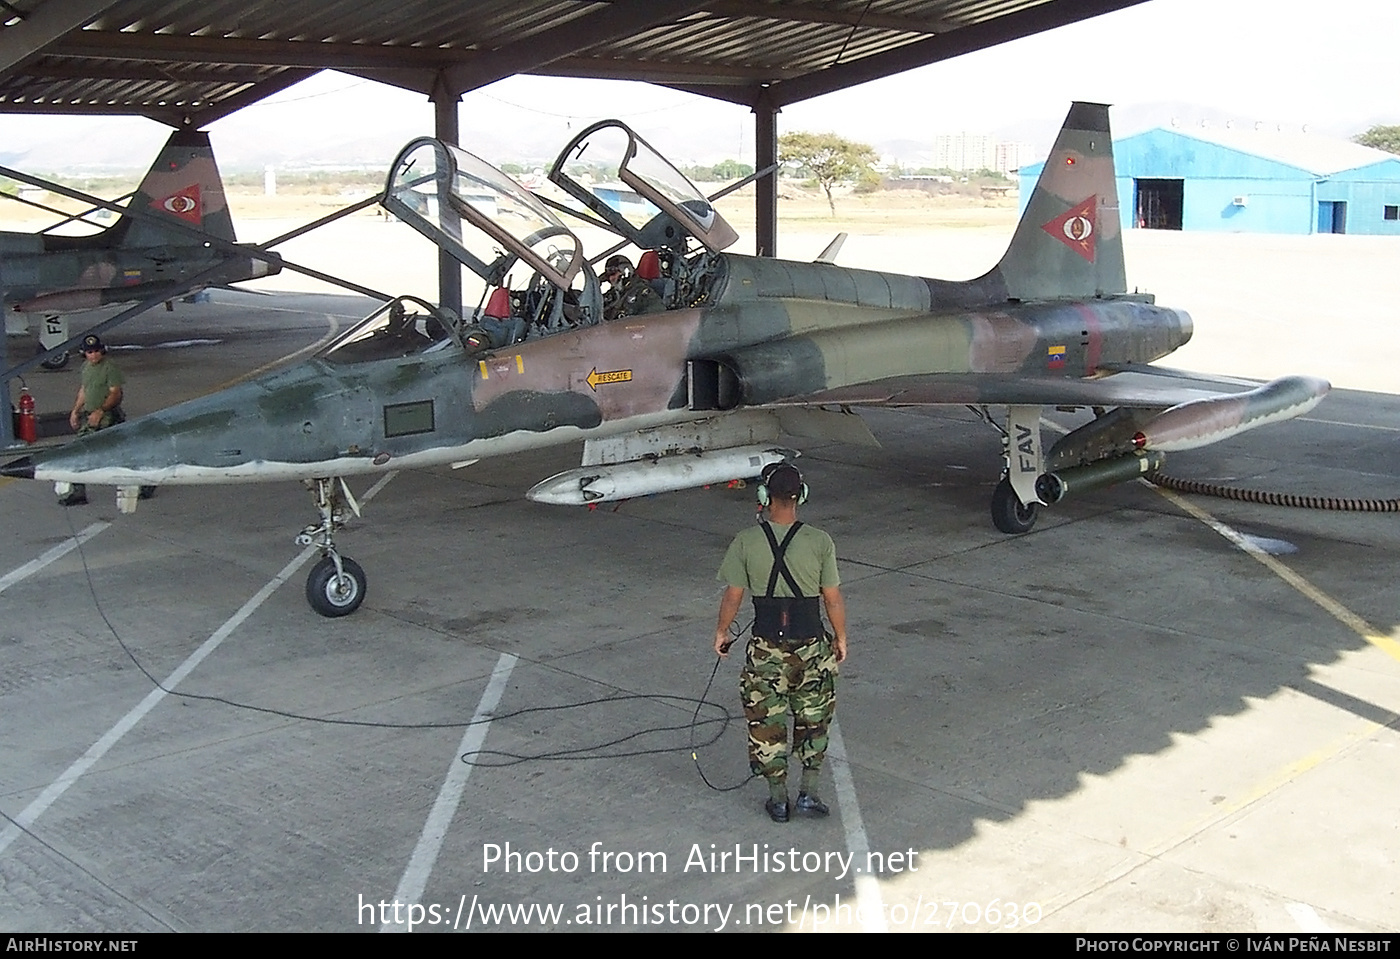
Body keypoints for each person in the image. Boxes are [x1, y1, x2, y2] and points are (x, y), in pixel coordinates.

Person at [714, 463, 848, 823]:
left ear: (764, 497)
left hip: (766, 650)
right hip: (811, 647)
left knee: (765, 723)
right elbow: (832, 598)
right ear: (800, 496)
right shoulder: (820, 541)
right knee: (814, 718)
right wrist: (840, 638)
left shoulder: (746, 541)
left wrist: (722, 633)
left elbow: (733, 596)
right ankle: (809, 792)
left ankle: (777, 800)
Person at [58, 333, 126, 507]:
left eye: (96, 351)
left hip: (107, 417)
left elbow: (115, 393)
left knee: (81, 451)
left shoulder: (109, 367)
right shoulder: (86, 367)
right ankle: (78, 492)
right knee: (117, 453)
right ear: (84, 353)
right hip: (92, 415)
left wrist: (101, 411)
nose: (94, 355)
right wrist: (75, 411)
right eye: (90, 352)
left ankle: (78, 492)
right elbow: (84, 391)